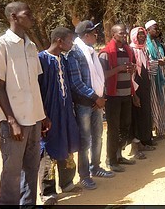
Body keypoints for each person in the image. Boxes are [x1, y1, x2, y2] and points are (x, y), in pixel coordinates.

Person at [0, 1, 51, 205]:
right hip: (13, 122)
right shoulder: (0, 46)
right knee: (12, 173)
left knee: (31, 169)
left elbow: (34, 85)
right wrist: (11, 120)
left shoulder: (31, 46)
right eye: (28, 13)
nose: (32, 17)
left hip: (33, 119)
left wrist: (42, 115)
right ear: (14, 17)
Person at [67, 20, 113, 190]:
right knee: (85, 140)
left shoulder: (92, 52)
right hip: (85, 104)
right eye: (94, 33)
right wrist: (95, 97)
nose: (96, 35)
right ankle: (84, 175)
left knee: (98, 137)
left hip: (96, 102)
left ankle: (96, 167)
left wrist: (100, 97)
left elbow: (98, 78)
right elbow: (76, 82)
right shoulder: (75, 53)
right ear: (86, 35)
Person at [38, 27, 81, 205]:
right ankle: (48, 191)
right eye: (70, 40)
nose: (71, 44)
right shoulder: (41, 59)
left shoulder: (63, 59)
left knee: (67, 144)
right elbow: (37, 90)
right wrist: (42, 115)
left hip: (65, 111)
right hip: (49, 112)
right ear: (59, 41)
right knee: (49, 149)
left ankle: (67, 182)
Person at [99, 24, 137, 172]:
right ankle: (111, 159)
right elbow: (102, 75)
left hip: (126, 93)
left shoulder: (127, 50)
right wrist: (119, 69)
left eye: (125, 33)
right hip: (113, 96)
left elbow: (129, 71)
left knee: (125, 125)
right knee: (114, 129)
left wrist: (131, 68)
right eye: (121, 33)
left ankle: (119, 155)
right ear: (113, 34)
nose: (124, 35)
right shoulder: (106, 53)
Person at [129, 26, 156, 158]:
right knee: (136, 116)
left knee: (145, 114)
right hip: (136, 89)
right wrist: (134, 93)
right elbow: (132, 74)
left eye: (143, 34)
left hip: (145, 88)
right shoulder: (132, 50)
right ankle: (135, 147)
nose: (142, 36)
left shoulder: (143, 50)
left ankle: (143, 142)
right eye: (139, 34)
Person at [145, 20, 165, 137]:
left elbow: (160, 57)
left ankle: (161, 129)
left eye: (157, 29)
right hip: (152, 79)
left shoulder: (158, 44)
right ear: (148, 30)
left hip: (162, 78)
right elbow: (147, 63)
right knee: (154, 105)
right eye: (154, 29)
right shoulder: (146, 45)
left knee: (163, 105)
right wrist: (158, 63)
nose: (157, 31)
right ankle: (152, 131)